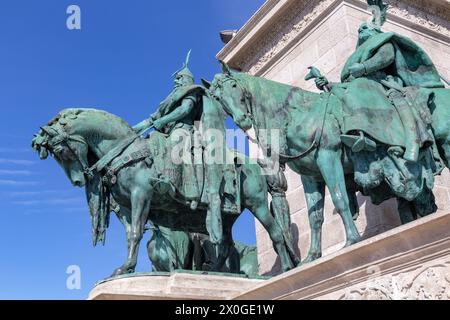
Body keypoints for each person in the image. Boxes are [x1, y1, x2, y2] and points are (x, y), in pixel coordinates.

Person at [314, 22, 444, 162]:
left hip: (384, 83)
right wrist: (327, 84)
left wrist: (364, 67)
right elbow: (347, 83)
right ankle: (355, 134)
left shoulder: (382, 41)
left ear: (375, 31)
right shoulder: (360, 54)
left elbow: (386, 56)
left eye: (365, 27)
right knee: (341, 96)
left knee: (359, 87)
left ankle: (409, 140)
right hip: (362, 85)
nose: (360, 29)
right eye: (359, 29)